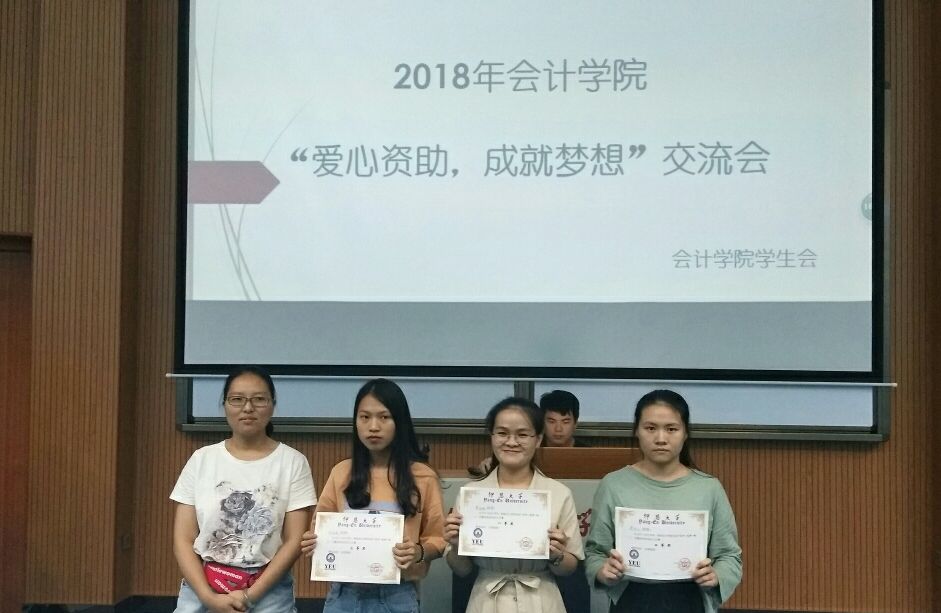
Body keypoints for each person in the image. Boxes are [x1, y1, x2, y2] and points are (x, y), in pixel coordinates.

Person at [170, 366, 316, 613]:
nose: (248, 408)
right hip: (203, 584)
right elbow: (183, 539)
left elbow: (294, 541)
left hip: (267, 589)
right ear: (224, 405)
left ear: (272, 405)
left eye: (259, 399)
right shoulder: (202, 459)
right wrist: (208, 598)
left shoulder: (292, 462)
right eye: (237, 399)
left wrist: (249, 596)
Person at [584, 390, 742, 613]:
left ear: (685, 433)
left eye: (671, 429)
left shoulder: (709, 488)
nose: (660, 438)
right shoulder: (614, 484)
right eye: (650, 428)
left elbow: (729, 555)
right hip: (631, 600)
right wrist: (603, 571)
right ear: (636, 431)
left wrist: (717, 575)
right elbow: (595, 552)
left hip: (689, 600)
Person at [302, 378, 446, 612]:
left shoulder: (422, 476)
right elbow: (320, 528)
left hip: (397, 595)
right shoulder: (341, 472)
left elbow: (438, 538)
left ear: (400, 421)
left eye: (384, 417)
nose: (373, 426)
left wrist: (418, 552)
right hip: (344, 595)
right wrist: (313, 542)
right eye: (365, 417)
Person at [445, 397, 585, 613]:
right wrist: (456, 545)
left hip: (542, 600)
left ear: (538, 439)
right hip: (486, 600)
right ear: (492, 437)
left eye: (522, 434)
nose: (511, 442)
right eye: (502, 433)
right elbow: (462, 570)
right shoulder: (472, 495)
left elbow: (569, 568)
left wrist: (556, 555)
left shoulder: (558, 493)